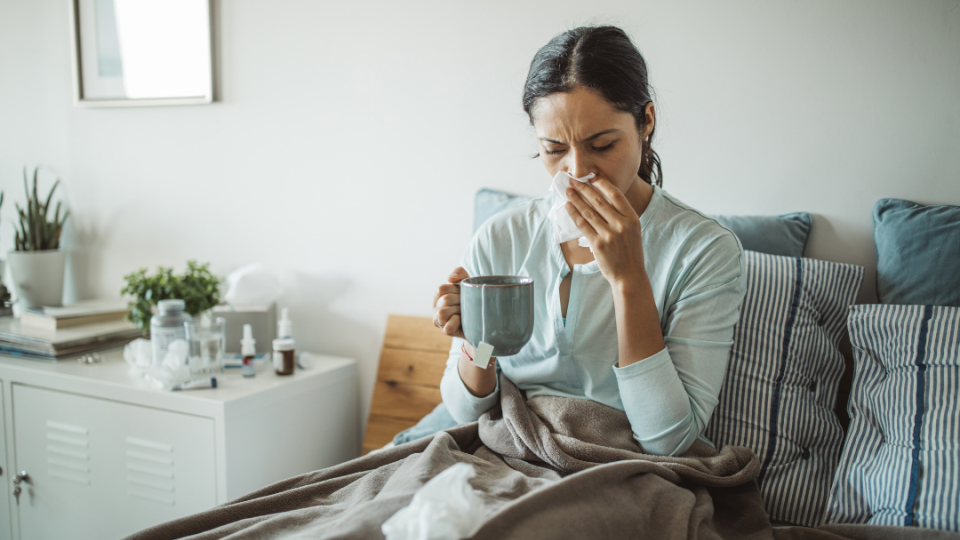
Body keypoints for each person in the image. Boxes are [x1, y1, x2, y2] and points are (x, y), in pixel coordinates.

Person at [432, 26, 746, 457]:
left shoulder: (703, 250)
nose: (577, 170)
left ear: (646, 122)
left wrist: (629, 278)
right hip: (510, 452)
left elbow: (667, 439)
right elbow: (466, 411)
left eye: (601, 144)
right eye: (554, 148)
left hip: (624, 467)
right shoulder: (502, 238)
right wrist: (477, 340)